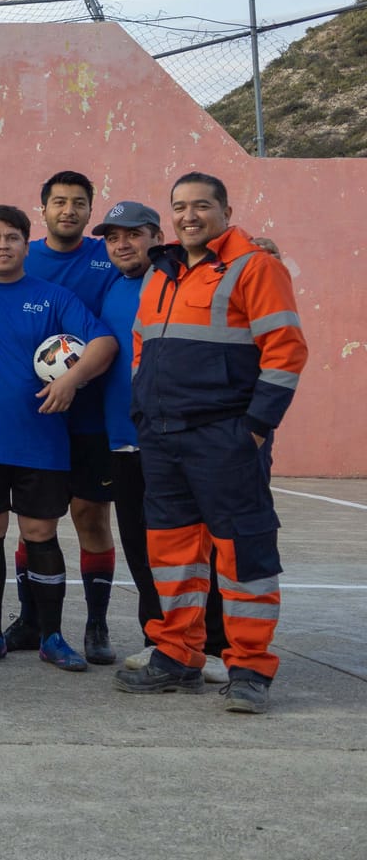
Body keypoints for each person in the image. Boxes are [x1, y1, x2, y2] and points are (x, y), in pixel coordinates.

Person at [115, 173, 307, 714]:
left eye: (202, 205)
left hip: (227, 438)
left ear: (225, 210)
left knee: (242, 551)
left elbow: (286, 350)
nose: (190, 215)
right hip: (162, 438)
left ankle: (248, 668)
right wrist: (143, 408)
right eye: (180, 206)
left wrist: (254, 426)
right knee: (172, 554)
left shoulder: (254, 267)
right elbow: (141, 346)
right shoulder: (162, 273)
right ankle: (177, 656)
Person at [0, 205, 116, 671]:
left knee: (40, 532)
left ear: (27, 243)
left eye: (13, 237)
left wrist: (71, 380)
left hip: (41, 440)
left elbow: (103, 343)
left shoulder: (54, 297)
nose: (3, 245)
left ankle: (52, 636)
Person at [96, 201, 229, 683]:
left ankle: (211, 644)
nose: (122, 244)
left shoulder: (179, 280)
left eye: (133, 234)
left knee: (193, 546)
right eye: (113, 238)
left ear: (157, 236)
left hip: (176, 439)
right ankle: (161, 642)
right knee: (141, 547)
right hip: (123, 441)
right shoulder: (113, 286)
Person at [14, 170, 124, 663]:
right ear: (43, 209)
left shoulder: (109, 257)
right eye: (59, 201)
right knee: (34, 521)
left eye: (79, 203)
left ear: (89, 210)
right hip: (33, 415)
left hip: (91, 413)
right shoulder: (23, 255)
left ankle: (97, 623)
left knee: (90, 515)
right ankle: (31, 618)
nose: (69, 210)